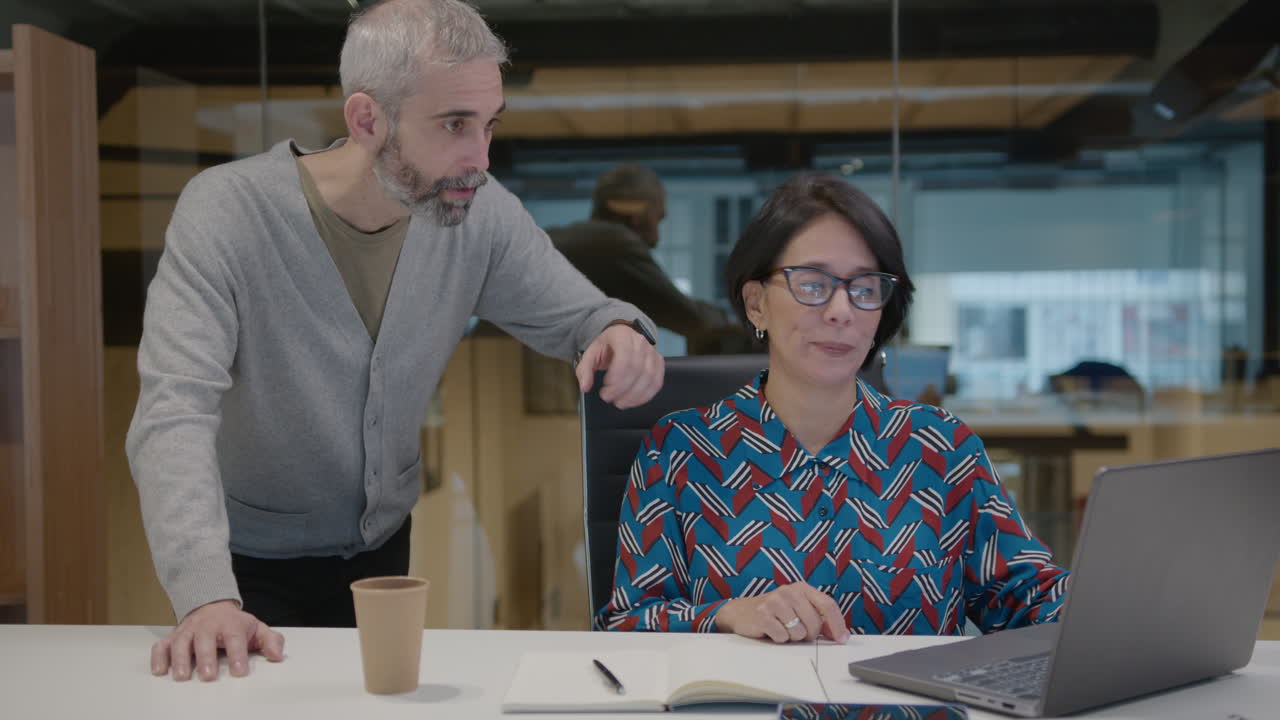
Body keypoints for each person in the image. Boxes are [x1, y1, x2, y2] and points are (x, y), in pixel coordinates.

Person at [127, 0, 663, 682]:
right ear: (366, 120)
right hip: (244, 568)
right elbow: (173, 412)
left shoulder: (478, 212)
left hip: (383, 555)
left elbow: (584, 315)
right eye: (454, 125)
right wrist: (205, 596)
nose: (480, 158)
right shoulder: (228, 212)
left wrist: (619, 332)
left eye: (490, 124)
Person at [596, 172, 1070, 642]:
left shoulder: (941, 448)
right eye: (812, 283)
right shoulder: (680, 451)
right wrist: (728, 614)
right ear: (756, 303)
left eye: (865, 288)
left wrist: (1102, 596)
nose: (842, 310)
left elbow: (1026, 598)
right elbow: (628, 623)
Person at [550, 164, 730, 352]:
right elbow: (690, 319)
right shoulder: (614, 244)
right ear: (637, 214)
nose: (656, 239)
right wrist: (728, 318)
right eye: (657, 218)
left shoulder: (566, 242)